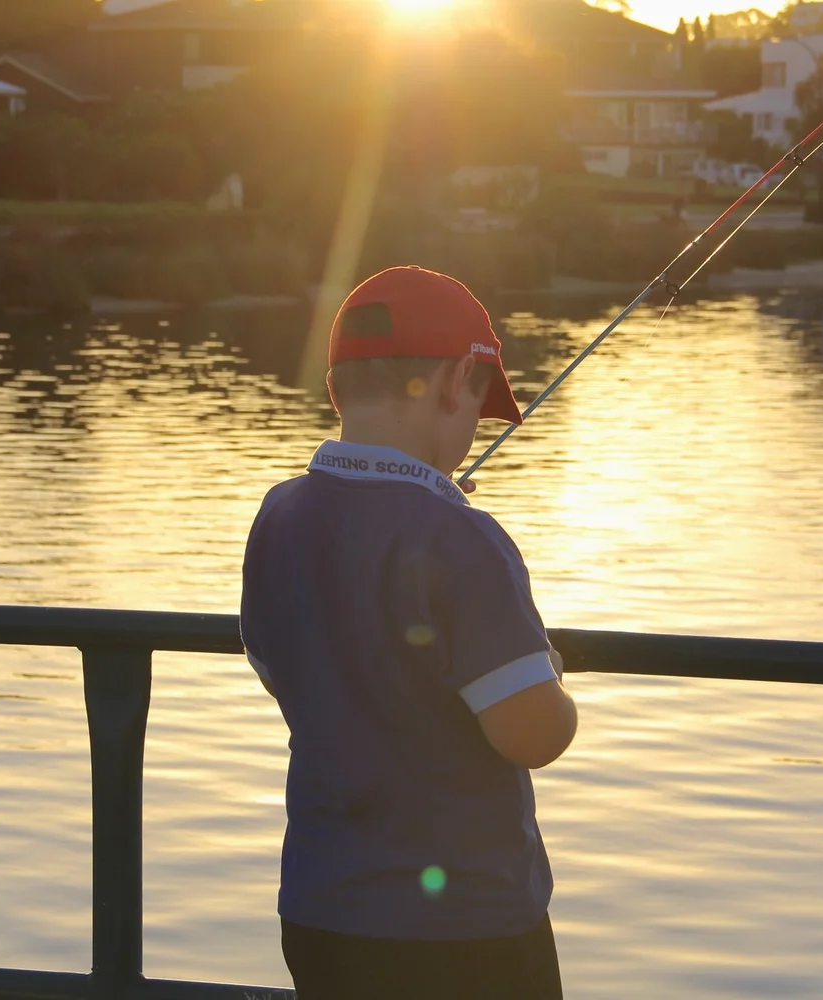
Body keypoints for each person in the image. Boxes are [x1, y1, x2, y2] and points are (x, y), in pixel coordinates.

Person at [240, 265, 578, 1000]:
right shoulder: (464, 541)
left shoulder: (278, 516)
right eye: (479, 403)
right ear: (456, 382)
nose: (474, 428)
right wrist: (546, 671)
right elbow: (533, 735)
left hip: (322, 913)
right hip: (465, 931)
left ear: (337, 387)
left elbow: (280, 670)